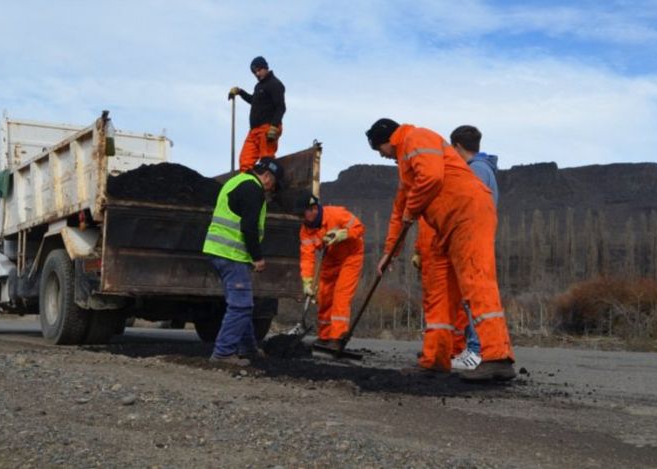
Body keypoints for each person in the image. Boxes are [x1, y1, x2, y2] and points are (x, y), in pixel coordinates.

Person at [366, 118, 515, 381]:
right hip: (444, 225)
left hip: (468, 212)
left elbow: (432, 178)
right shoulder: (405, 164)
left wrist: (412, 210)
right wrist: (390, 253)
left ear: (388, 139)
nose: (382, 156)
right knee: (438, 291)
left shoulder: (416, 137)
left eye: (380, 150)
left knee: (476, 281)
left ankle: (497, 358)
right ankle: (435, 359)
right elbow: (399, 212)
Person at [203, 158, 284, 366]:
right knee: (240, 306)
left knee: (243, 304)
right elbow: (249, 227)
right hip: (231, 253)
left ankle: (248, 349)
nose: (271, 190)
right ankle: (222, 354)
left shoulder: (237, 181)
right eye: (273, 185)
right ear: (267, 177)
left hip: (220, 251)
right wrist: (257, 257)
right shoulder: (252, 188)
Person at [448, 125, 500, 371]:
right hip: (479, 237)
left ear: (457, 146)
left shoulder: (475, 171)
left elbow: (470, 206)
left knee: (476, 296)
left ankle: (477, 351)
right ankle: (475, 349)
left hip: (474, 238)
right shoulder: (484, 168)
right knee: (475, 295)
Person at [295, 193, 365, 349]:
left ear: (313, 209)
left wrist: (344, 234)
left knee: (341, 295)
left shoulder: (336, 214)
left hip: (351, 256)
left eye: (302, 214)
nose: (301, 218)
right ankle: (325, 336)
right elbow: (307, 257)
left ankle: (337, 338)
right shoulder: (306, 230)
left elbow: (359, 228)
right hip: (331, 257)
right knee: (324, 294)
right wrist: (307, 281)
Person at [228, 56, 286, 172]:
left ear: (265, 67)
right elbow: (253, 100)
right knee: (245, 162)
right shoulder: (259, 86)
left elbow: (281, 107)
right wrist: (240, 92)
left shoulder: (275, 84)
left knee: (266, 160)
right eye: (254, 72)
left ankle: (270, 188)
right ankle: (248, 187)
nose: (257, 74)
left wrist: (274, 127)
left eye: (259, 70)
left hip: (268, 128)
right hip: (254, 131)